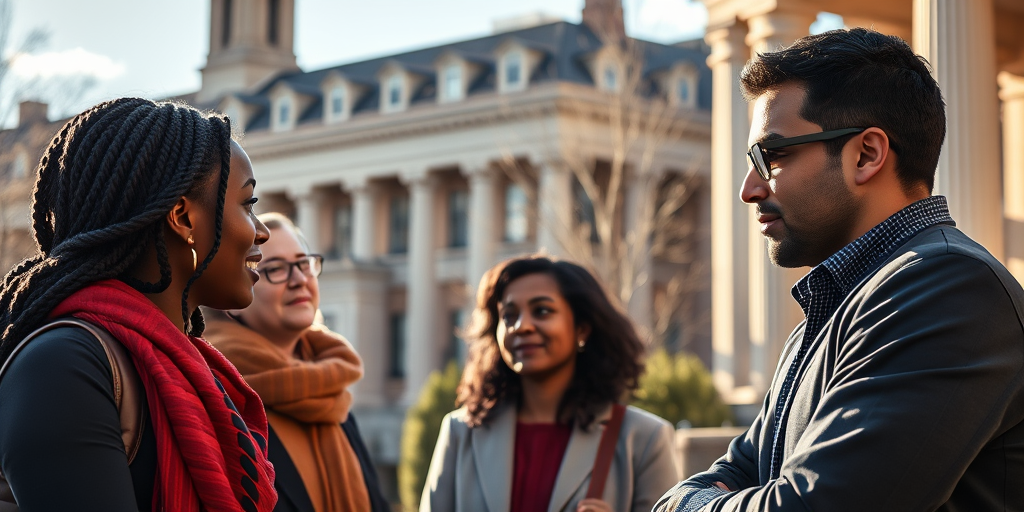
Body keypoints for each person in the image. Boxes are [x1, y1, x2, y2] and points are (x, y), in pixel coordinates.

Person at [654, 28, 1024, 512]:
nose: (749, 188)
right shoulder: (835, 306)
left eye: (773, 156)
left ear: (867, 154)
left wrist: (689, 504)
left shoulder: (946, 287)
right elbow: (741, 471)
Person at [0, 98, 277, 511]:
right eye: (247, 204)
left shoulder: (198, 371)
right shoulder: (62, 365)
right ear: (183, 217)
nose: (263, 232)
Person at [421, 255, 680, 512]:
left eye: (542, 311)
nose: (521, 327)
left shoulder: (645, 439)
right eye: (509, 316)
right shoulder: (460, 432)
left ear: (582, 329)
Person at [203, 212, 390, 512]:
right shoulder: (217, 391)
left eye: (304, 264)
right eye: (276, 269)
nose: (300, 279)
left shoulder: (332, 392)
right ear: (232, 296)